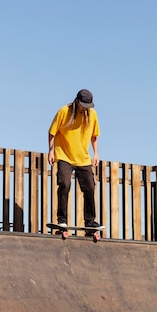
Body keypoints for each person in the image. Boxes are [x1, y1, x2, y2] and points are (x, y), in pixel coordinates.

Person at [48, 89, 101, 229]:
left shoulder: (93, 115)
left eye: (88, 106)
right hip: (64, 155)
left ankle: (90, 221)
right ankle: (62, 219)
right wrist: (51, 151)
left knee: (90, 187)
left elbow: (94, 136)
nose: (85, 109)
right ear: (77, 101)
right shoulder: (63, 111)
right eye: (83, 105)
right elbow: (52, 132)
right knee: (64, 184)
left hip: (83, 158)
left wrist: (96, 153)